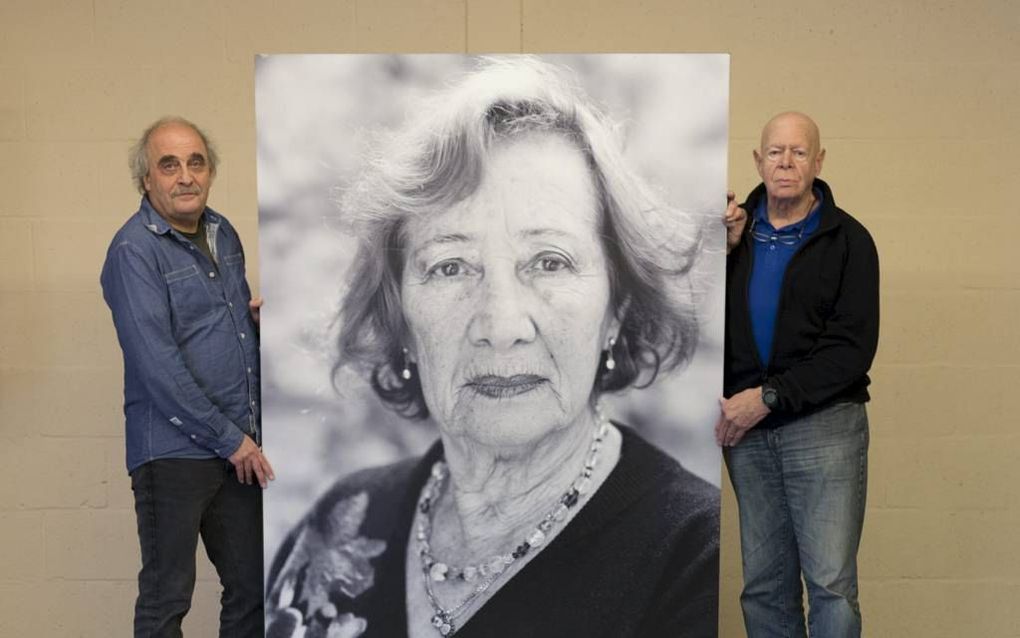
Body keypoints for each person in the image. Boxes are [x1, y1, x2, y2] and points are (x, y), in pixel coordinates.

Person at [265, 59, 719, 638]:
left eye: (549, 262)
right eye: (450, 266)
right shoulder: (342, 524)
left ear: (617, 310)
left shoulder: (698, 561)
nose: (502, 324)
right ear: (400, 317)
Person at [101, 116, 275, 637]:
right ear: (146, 180)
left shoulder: (224, 234)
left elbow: (230, 337)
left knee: (252, 589)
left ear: (210, 172)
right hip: (175, 452)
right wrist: (232, 440)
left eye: (196, 162)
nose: (185, 176)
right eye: (169, 164)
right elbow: (158, 366)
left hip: (238, 448)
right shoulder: (133, 251)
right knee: (166, 598)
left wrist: (266, 328)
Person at [717, 111, 879, 638]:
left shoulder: (849, 241)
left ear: (819, 161)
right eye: (775, 151)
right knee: (764, 586)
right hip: (748, 434)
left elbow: (850, 351)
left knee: (830, 585)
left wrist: (766, 397)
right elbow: (689, 320)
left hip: (824, 427)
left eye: (799, 152)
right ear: (757, 160)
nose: (786, 162)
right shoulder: (728, 235)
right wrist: (721, 254)